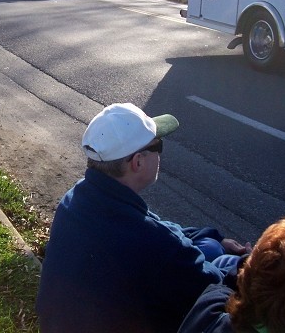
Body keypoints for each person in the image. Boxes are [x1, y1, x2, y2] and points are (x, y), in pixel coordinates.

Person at [36, 103, 251, 333]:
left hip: (59, 323)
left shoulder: (76, 198)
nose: (160, 153)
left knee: (209, 246)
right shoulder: (157, 246)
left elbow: (155, 226)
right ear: (138, 162)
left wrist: (212, 237)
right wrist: (249, 264)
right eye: (158, 145)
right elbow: (214, 290)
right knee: (223, 261)